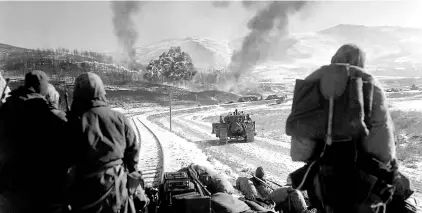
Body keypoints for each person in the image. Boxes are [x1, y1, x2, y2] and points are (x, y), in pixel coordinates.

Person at [286, 44, 399, 213]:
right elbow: (382, 142)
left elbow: (301, 149)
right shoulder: (369, 81)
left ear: (334, 58)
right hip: (361, 180)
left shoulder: (312, 81)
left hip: (322, 179)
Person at [65, 72, 140, 213]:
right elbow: (132, 151)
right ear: (101, 92)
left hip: (85, 193)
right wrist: (132, 171)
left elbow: (65, 160)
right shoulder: (119, 118)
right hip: (117, 189)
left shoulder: (73, 123)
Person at [0, 70, 69, 213]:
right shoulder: (42, 111)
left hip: (8, 186)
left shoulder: (8, 107)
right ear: (40, 87)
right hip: (37, 189)